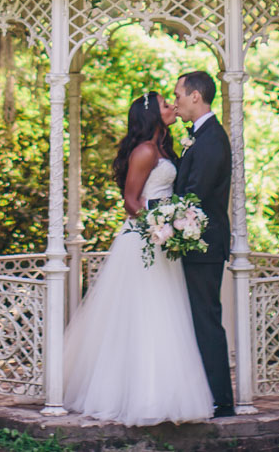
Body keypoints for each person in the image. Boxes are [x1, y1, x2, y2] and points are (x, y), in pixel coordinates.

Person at [60, 91, 215, 425]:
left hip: (164, 242)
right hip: (144, 241)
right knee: (142, 314)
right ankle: (135, 397)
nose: (173, 107)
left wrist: (173, 224)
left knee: (165, 314)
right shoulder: (145, 151)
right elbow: (130, 202)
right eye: (165, 104)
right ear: (151, 115)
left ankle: (164, 394)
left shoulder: (164, 149)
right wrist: (160, 225)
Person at [170, 69, 236, 417]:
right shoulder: (200, 135)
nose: (176, 101)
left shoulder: (211, 140)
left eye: (179, 94)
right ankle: (202, 392)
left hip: (204, 245)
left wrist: (159, 217)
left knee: (206, 320)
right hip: (194, 244)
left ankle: (222, 401)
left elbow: (193, 196)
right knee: (196, 318)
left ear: (196, 96)